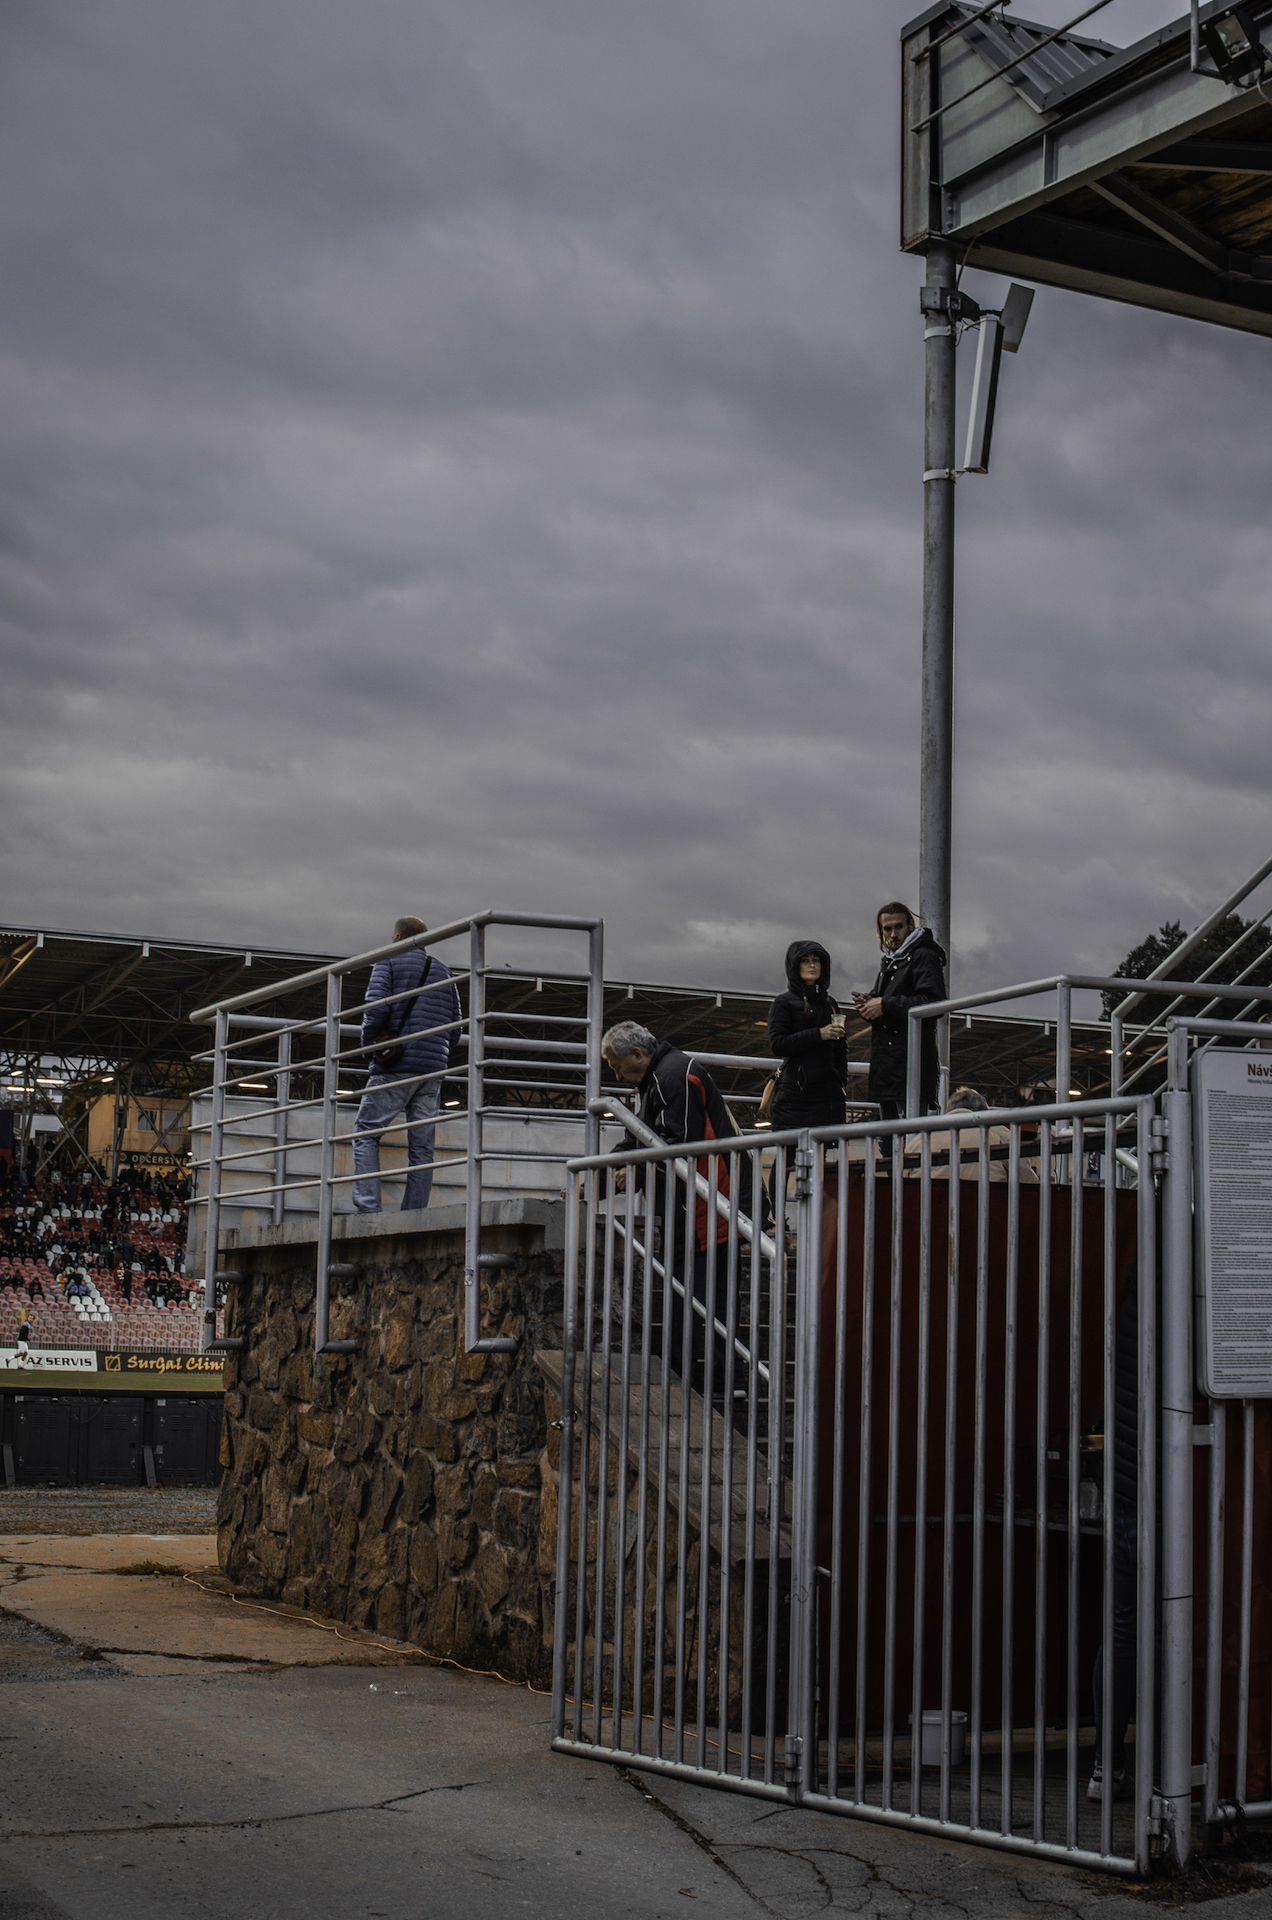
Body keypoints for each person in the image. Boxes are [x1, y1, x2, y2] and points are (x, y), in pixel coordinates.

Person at [601, 1021, 751, 1398]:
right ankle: (723, 1380)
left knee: (691, 1297)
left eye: (616, 1064)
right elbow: (639, 1140)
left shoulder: (672, 1076)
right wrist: (598, 1181)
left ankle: (687, 1380)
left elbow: (678, 1143)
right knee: (709, 1297)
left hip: (707, 1206)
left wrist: (635, 1172)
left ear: (637, 1054)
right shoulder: (661, 1077)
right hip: (707, 1205)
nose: (615, 1074)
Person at [353, 916, 462, 1214]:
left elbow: (375, 1010)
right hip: (433, 1069)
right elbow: (456, 1030)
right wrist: (434, 1051)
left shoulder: (386, 963)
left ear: (398, 937)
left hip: (396, 1064)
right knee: (422, 1149)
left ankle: (368, 1210)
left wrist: (369, 1048)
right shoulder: (444, 971)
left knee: (365, 1132)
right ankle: (414, 1214)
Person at [853, 902, 948, 1162]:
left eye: (898, 927)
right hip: (893, 1067)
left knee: (905, 1147)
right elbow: (901, 1002)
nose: (893, 934)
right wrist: (871, 1003)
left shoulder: (921, 956)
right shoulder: (895, 960)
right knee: (893, 1147)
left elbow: (934, 1003)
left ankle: (905, 1188)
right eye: (888, 929)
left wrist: (883, 1004)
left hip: (908, 1066)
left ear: (910, 926)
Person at [767, 942, 848, 1134]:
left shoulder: (830, 1003)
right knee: (791, 1149)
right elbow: (778, 1044)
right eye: (805, 961)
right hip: (795, 1096)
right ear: (795, 966)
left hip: (828, 1097)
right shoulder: (783, 1002)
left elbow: (841, 1047)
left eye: (816, 960)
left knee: (824, 1151)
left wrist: (840, 1080)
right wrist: (819, 1034)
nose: (812, 965)